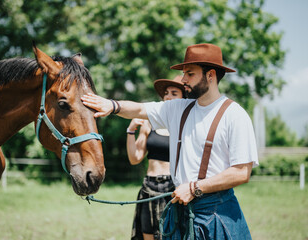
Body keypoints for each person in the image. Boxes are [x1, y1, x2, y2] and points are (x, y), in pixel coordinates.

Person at [81, 43, 259, 239]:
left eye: (190, 73)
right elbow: (140, 109)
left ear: (211, 75)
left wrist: (194, 188)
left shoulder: (234, 115)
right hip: (180, 213)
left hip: (216, 213)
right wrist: (112, 105)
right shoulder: (178, 109)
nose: (183, 80)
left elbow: (242, 172)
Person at [128, 76, 185, 240]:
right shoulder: (150, 123)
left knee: (171, 234)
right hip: (149, 186)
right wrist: (130, 131)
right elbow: (135, 158)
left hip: (173, 187)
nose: (168, 97)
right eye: (166, 93)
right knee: (148, 235)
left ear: (184, 98)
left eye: (174, 93)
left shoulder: (185, 125)